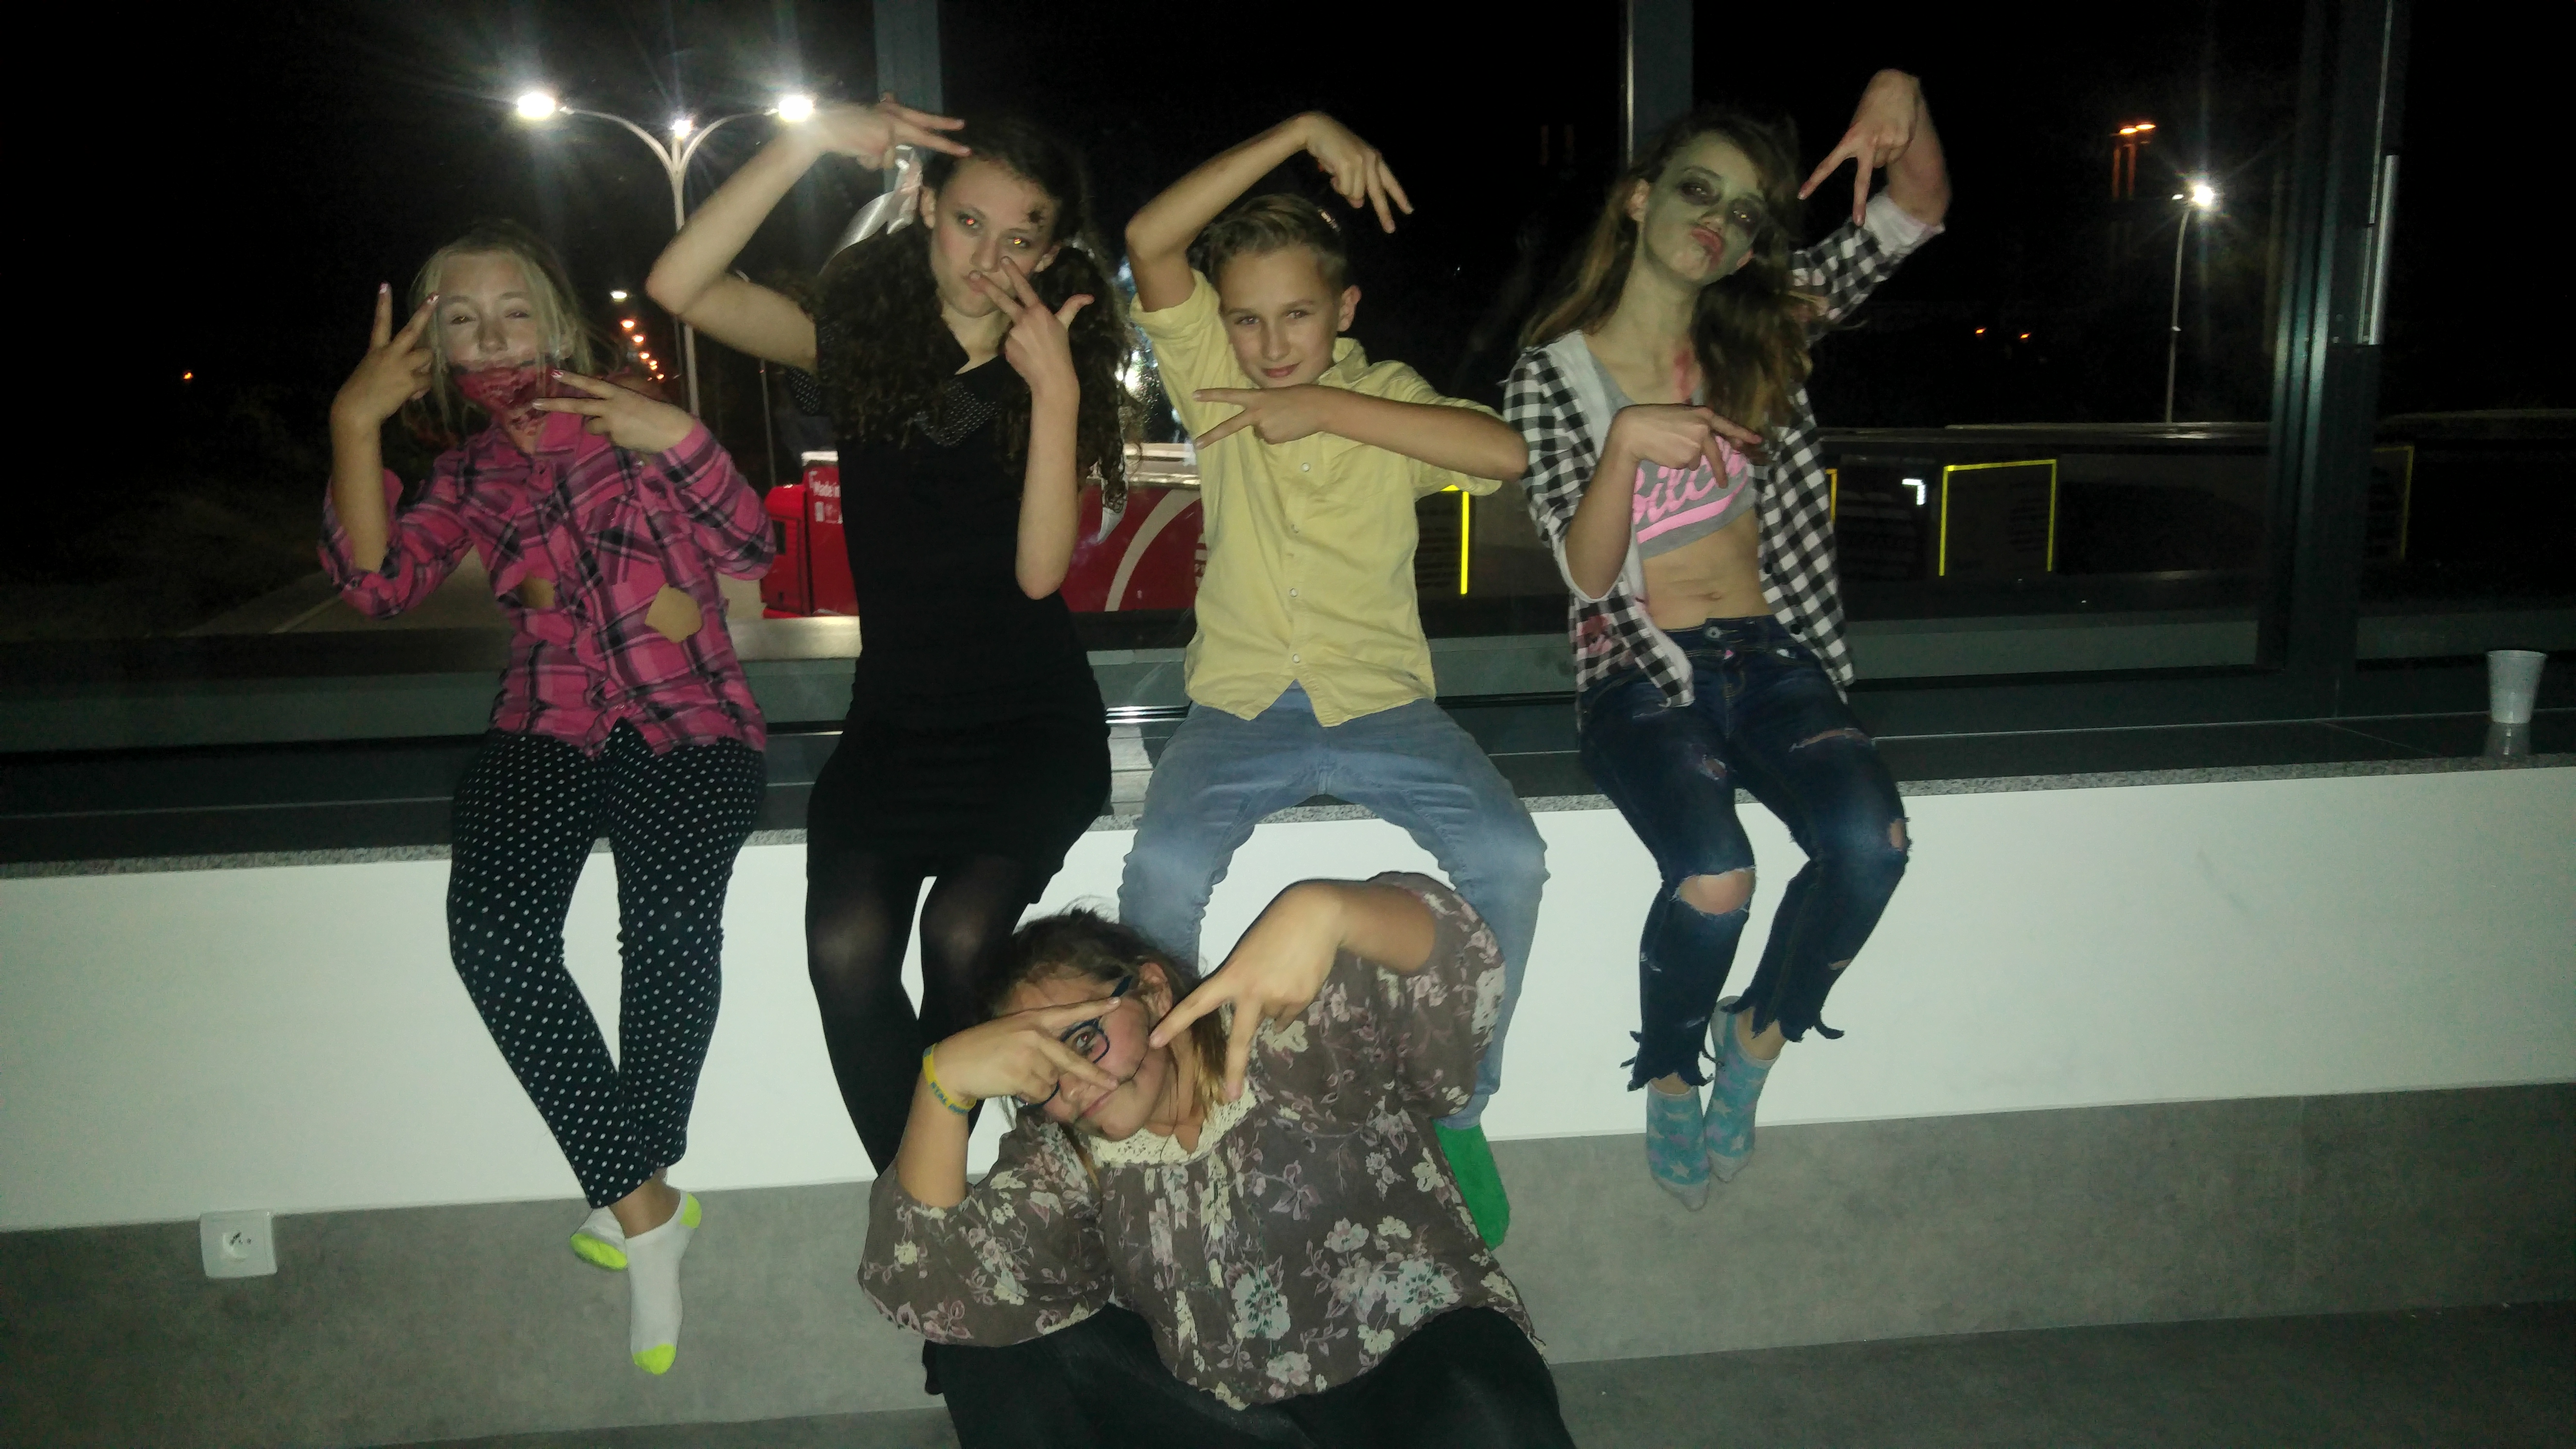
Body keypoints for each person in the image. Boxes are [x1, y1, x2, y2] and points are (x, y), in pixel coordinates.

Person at [321, 220, 773, 1372]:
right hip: (546, 723)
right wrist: (354, 424)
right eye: (462, 322)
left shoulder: (634, 423)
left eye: (512, 312)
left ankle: (637, 1198)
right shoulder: (467, 474)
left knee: (667, 918)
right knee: (493, 931)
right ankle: (647, 1209)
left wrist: (680, 436)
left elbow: (751, 543)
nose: (492, 339)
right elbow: (378, 587)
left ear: (559, 321)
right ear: (435, 352)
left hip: (688, 718)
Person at [645, 105, 1127, 1172]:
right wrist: (809, 140)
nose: (987, 258)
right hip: (898, 720)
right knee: (845, 948)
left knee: (961, 936)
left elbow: (1039, 575)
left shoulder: (1056, 365)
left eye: (1020, 237)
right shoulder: (860, 354)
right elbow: (681, 287)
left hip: (1029, 721)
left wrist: (1052, 391)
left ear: (1052, 253)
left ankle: (935, 1199)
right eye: (968, 223)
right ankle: (924, 1206)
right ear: (925, 211)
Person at [1504, 73, 1949, 1208]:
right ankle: (1668, 1070)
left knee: (1872, 844)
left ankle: (1755, 1038)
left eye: (1744, 213)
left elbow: (1915, 210)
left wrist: (1902, 92)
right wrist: (1625, 445)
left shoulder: (1764, 327)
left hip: (1771, 654)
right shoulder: (1551, 377)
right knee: (1716, 876)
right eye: (1697, 191)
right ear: (1639, 198)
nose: (1716, 221)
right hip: (1640, 672)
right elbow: (1586, 575)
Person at [1115, 113, 1547, 1246]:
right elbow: (1151, 239)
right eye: (1246, 319)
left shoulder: (1388, 396)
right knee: (1160, 877)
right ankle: (1183, 1104)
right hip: (1239, 709)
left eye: (1296, 315)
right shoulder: (1212, 382)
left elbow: (1504, 456)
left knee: (1511, 860)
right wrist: (1303, 128)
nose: (1269, 345)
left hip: (1387, 708)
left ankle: (1461, 1103)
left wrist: (1322, 409)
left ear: (1344, 309)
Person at [864, 874, 1577, 1448]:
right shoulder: (1066, 1156)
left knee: (1475, 1389)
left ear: (1151, 990)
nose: (1072, 1087)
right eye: (1042, 1075)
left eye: (1082, 1039)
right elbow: (932, 1287)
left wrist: (1331, 909)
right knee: (985, 1344)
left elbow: (1459, 978)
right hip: (1241, 1421)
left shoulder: (1286, 1037)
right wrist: (942, 1085)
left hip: (1417, 1380)